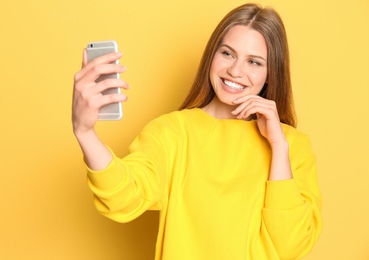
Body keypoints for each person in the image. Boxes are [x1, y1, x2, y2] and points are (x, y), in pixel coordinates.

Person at [72, 3, 322, 260]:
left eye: (254, 62)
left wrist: (278, 146)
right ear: (211, 55)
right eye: (227, 53)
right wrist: (85, 132)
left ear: (271, 74)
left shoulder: (292, 145)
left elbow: (292, 246)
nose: (235, 71)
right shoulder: (172, 132)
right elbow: (123, 198)